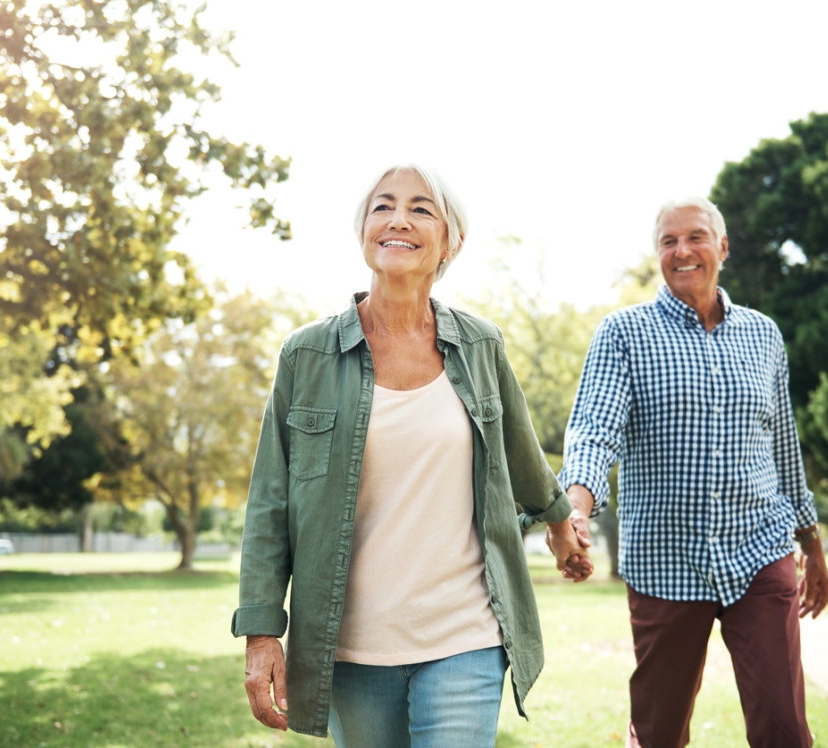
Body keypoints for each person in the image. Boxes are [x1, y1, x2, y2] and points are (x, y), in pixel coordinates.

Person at [232, 164, 591, 745]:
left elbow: (521, 456)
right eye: (383, 206)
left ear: (451, 240)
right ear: (364, 232)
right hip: (349, 646)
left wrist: (558, 524)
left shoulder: (481, 346)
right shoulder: (307, 356)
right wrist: (261, 632)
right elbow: (270, 504)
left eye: (421, 208)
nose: (399, 219)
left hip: (465, 634)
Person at [556, 196, 828, 748]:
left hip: (760, 550)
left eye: (696, 237)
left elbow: (782, 445)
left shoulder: (763, 335)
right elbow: (594, 431)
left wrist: (812, 541)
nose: (682, 251)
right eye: (668, 241)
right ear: (658, 253)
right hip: (665, 561)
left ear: (723, 247)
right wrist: (575, 511)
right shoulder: (624, 334)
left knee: (784, 726)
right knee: (660, 730)